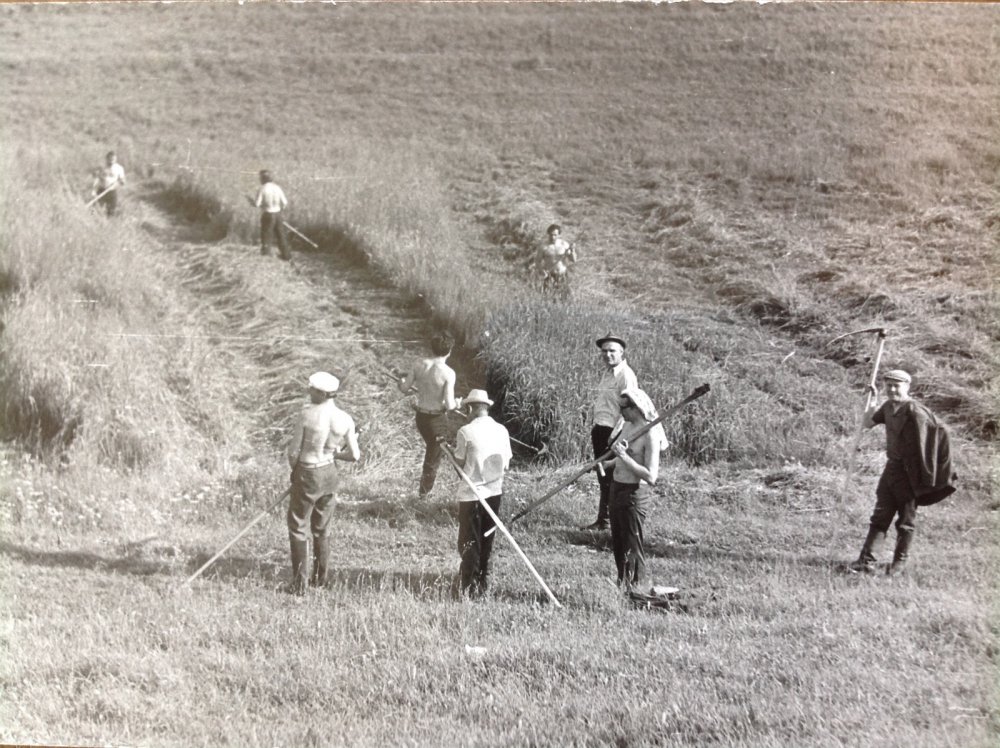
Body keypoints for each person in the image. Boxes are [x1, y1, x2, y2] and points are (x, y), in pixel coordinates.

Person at [847, 369, 957, 576]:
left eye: (897, 385)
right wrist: (873, 400)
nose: (892, 389)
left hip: (910, 474)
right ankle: (866, 561)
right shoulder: (888, 407)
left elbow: (939, 432)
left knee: (905, 521)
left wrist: (929, 465)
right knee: (880, 515)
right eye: (889, 385)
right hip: (891, 469)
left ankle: (899, 564)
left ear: (907, 386)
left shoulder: (915, 410)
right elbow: (868, 423)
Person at [285, 371, 360, 594]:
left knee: (298, 526)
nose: (308, 392)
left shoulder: (306, 415)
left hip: (308, 472)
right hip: (330, 473)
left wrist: (295, 473)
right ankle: (320, 579)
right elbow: (355, 456)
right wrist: (336, 454)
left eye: (312, 389)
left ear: (321, 393)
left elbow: (292, 452)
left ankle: (300, 585)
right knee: (321, 527)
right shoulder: (345, 418)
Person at [597, 387, 665, 590]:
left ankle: (638, 589)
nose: (621, 412)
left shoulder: (650, 433)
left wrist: (624, 457)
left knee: (632, 545)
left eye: (623, 407)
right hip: (616, 489)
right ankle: (623, 585)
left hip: (634, 494)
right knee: (618, 542)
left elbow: (651, 476)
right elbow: (621, 458)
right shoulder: (627, 427)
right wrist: (609, 464)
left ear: (635, 408)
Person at [451, 389, 512, 598]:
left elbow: (459, 465)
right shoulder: (502, 430)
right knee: (486, 538)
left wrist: (451, 451)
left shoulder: (465, 432)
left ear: (471, 408)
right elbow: (506, 465)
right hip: (495, 493)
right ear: (485, 408)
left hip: (471, 495)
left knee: (468, 541)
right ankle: (481, 580)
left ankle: (469, 588)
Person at [582, 333, 638, 531]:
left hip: (615, 433)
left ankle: (612, 522)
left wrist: (615, 436)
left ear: (621, 353)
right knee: (603, 476)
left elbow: (630, 409)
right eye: (604, 351)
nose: (607, 355)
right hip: (600, 429)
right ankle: (602, 520)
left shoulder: (626, 375)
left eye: (612, 351)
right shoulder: (607, 373)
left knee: (613, 477)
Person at [397, 331, 459, 499]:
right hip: (436, 420)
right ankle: (424, 495)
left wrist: (400, 382)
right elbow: (450, 405)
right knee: (433, 458)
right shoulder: (448, 373)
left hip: (421, 418)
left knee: (433, 453)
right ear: (450, 351)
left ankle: (425, 491)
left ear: (432, 347)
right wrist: (459, 403)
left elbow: (404, 389)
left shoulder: (419, 364)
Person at [527, 223, 577, 292]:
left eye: (555, 235)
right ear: (548, 234)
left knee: (564, 299)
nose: (553, 237)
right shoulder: (543, 247)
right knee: (548, 298)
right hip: (549, 276)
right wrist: (542, 271)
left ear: (559, 235)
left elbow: (573, 260)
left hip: (562, 275)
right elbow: (537, 261)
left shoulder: (564, 245)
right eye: (551, 235)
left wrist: (572, 250)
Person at [254, 169, 290, 260]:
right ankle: (286, 256)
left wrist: (250, 201)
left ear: (263, 178)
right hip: (278, 214)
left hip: (268, 214)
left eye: (260, 177)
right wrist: (279, 211)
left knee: (266, 236)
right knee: (281, 235)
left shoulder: (262, 189)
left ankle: (266, 257)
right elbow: (285, 202)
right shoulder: (277, 187)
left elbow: (257, 204)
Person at [91, 150, 126, 216]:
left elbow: (123, 181)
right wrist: (96, 175)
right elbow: (94, 175)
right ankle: (91, 220)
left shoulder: (119, 168)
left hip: (112, 192)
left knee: (111, 212)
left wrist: (120, 182)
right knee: (95, 210)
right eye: (110, 159)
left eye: (113, 159)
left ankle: (108, 223)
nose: (111, 161)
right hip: (101, 190)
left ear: (116, 159)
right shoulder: (101, 167)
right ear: (106, 159)